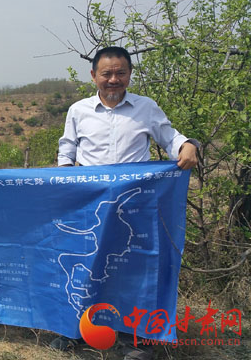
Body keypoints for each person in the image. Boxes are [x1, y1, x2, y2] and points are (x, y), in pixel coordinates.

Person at [54, 46, 198, 360]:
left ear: (130, 75)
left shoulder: (146, 108)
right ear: (93, 76)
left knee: (136, 268)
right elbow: (66, 152)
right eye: (106, 73)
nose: (113, 79)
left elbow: (169, 137)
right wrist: (67, 181)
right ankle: (77, 330)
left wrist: (186, 145)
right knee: (89, 266)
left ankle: (142, 336)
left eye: (120, 73)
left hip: (135, 207)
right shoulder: (79, 111)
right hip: (91, 207)